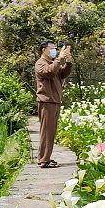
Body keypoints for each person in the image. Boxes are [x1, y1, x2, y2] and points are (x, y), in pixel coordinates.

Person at [34, 39, 73, 168]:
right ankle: (43, 160)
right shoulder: (40, 63)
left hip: (54, 101)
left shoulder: (52, 63)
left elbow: (62, 73)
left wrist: (68, 62)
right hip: (46, 101)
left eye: (55, 49)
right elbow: (49, 72)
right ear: (44, 50)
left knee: (50, 132)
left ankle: (45, 158)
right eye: (51, 48)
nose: (54, 51)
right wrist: (59, 59)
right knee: (47, 132)